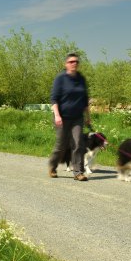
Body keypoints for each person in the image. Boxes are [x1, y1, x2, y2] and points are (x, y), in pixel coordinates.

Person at [48, 53, 91, 181]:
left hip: (77, 117)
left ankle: (78, 172)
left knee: (78, 143)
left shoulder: (81, 79)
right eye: (71, 61)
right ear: (66, 64)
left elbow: (85, 100)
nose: (74, 64)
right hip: (62, 117)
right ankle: (53, 166)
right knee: (62, 145)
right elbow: (54, 99)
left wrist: (88, 116)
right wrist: (57, 115)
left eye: (76, 62)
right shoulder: (60, 78)